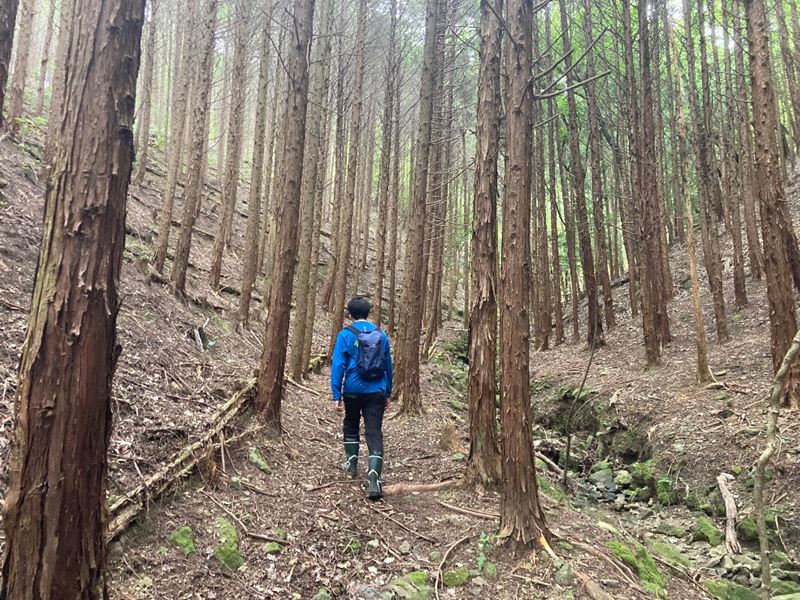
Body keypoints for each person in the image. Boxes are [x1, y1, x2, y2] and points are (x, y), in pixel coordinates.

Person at [330, 296, 393, 500]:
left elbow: (338, 365)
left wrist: (336, 394)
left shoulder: (345, 335)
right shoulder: (380, 334)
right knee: (374, 431)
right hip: (376, 390)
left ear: (350, 313)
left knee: (351, 423)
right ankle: (374, 479)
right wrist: (388, 392)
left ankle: (351, 467)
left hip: (352, 389)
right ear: (368, 312)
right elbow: (388, 365)